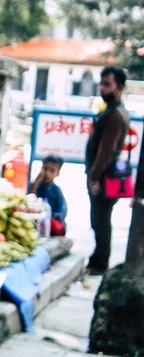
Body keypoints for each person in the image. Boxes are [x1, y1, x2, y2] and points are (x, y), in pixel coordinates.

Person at [85, 66, 130, 275]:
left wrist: (94, 177)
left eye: (107, 84)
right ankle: (98, 259)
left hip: (104, 178)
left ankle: (99, 263)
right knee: (100, 220)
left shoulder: (115, 115)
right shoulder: (113, 111)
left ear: (119, 88)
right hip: (104, 176)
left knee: (100, 221)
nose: (102, 88)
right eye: (101, 83)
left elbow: (106, 150)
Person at [29, 155, 68, 236]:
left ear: (57, 173)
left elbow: (62, 212)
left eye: (52, 171)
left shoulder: (56, 190)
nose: (47, 173)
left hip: (49, 223)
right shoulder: (34, 185)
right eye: (45, 169)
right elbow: (30, 201)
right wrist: (35, 183)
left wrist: (48, 218)